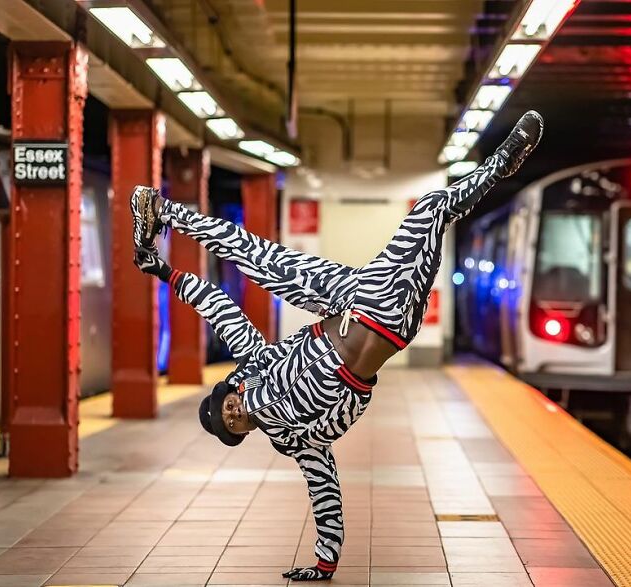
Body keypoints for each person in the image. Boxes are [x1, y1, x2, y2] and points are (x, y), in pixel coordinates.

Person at [130, 111, 543, 581]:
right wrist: (325, 563)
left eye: (225, 408)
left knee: (261, 254)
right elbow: (324, 487)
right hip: (391, 319)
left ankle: (162, 215)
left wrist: (166, 274)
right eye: (231, 426)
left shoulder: (259, 364)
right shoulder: (294, 440)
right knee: (431, 214)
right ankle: (157, 229)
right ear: (243, 434)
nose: (233, 416)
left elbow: (219, 309)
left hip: (348, 299)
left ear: (231, 390)